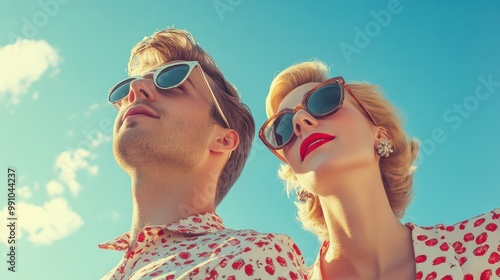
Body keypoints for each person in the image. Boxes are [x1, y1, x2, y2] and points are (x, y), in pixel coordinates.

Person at [98, 28, 308, 280]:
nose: (137, 88)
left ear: (223, 140)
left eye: (173, 82)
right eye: (127, 87)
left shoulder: (252, 255)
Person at [259, 60, 500, 279]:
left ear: (380, 134)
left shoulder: (491, 242)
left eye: (325, 100)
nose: (301, 121)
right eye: (284, 127)